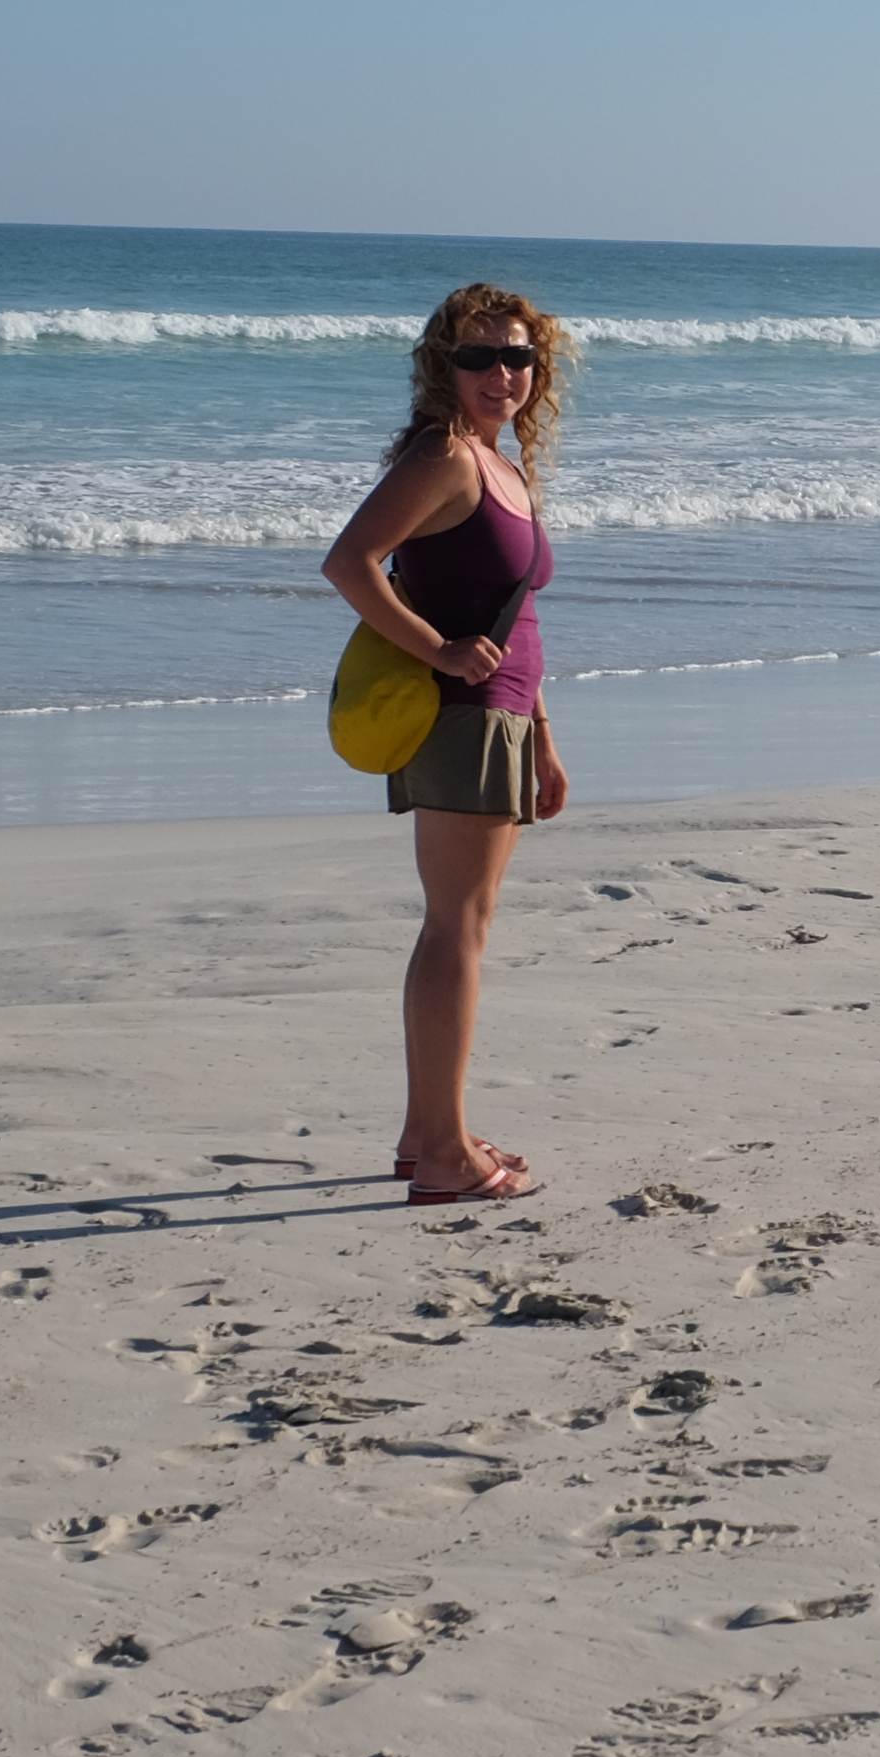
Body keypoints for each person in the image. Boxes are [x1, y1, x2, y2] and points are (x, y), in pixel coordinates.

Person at [322, 284, 575, 1202]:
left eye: (516, 356)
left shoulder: (501, 461)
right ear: (444, 366)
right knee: (455, 929)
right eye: (478, 357)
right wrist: (438, 651)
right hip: (460, 716)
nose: (500, 373)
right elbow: (348, 563)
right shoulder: (444, 456)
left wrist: (543, 736)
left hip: (502, 717)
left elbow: (515, 614)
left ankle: (427, 1133)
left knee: (461, 924)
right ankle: (442, 1158)